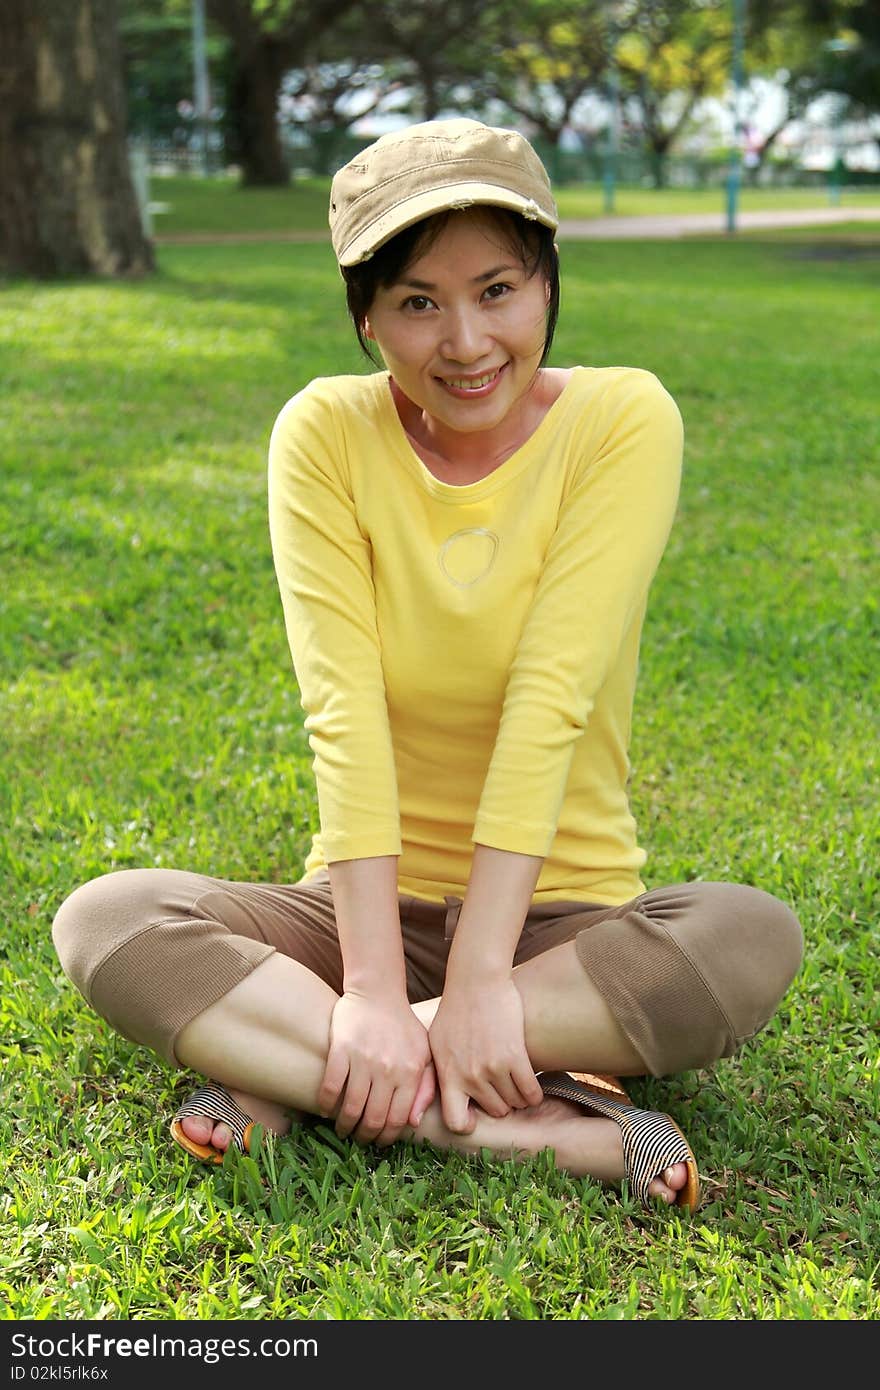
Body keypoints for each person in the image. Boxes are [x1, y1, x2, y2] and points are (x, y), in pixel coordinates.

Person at [52, 118, 804, 1212]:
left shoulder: (620, 419)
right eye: (417, 302)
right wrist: (362, 983)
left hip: (561, 919)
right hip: (359, 912)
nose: (465, 341)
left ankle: (301, 1075)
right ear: (365, 316)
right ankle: (532, 1122)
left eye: (497, 289)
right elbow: (341, 715)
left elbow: (549, 699)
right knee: (106, 921)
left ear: (546, 284)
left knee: (745, 937)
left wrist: (486, 979)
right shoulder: (323, 434)